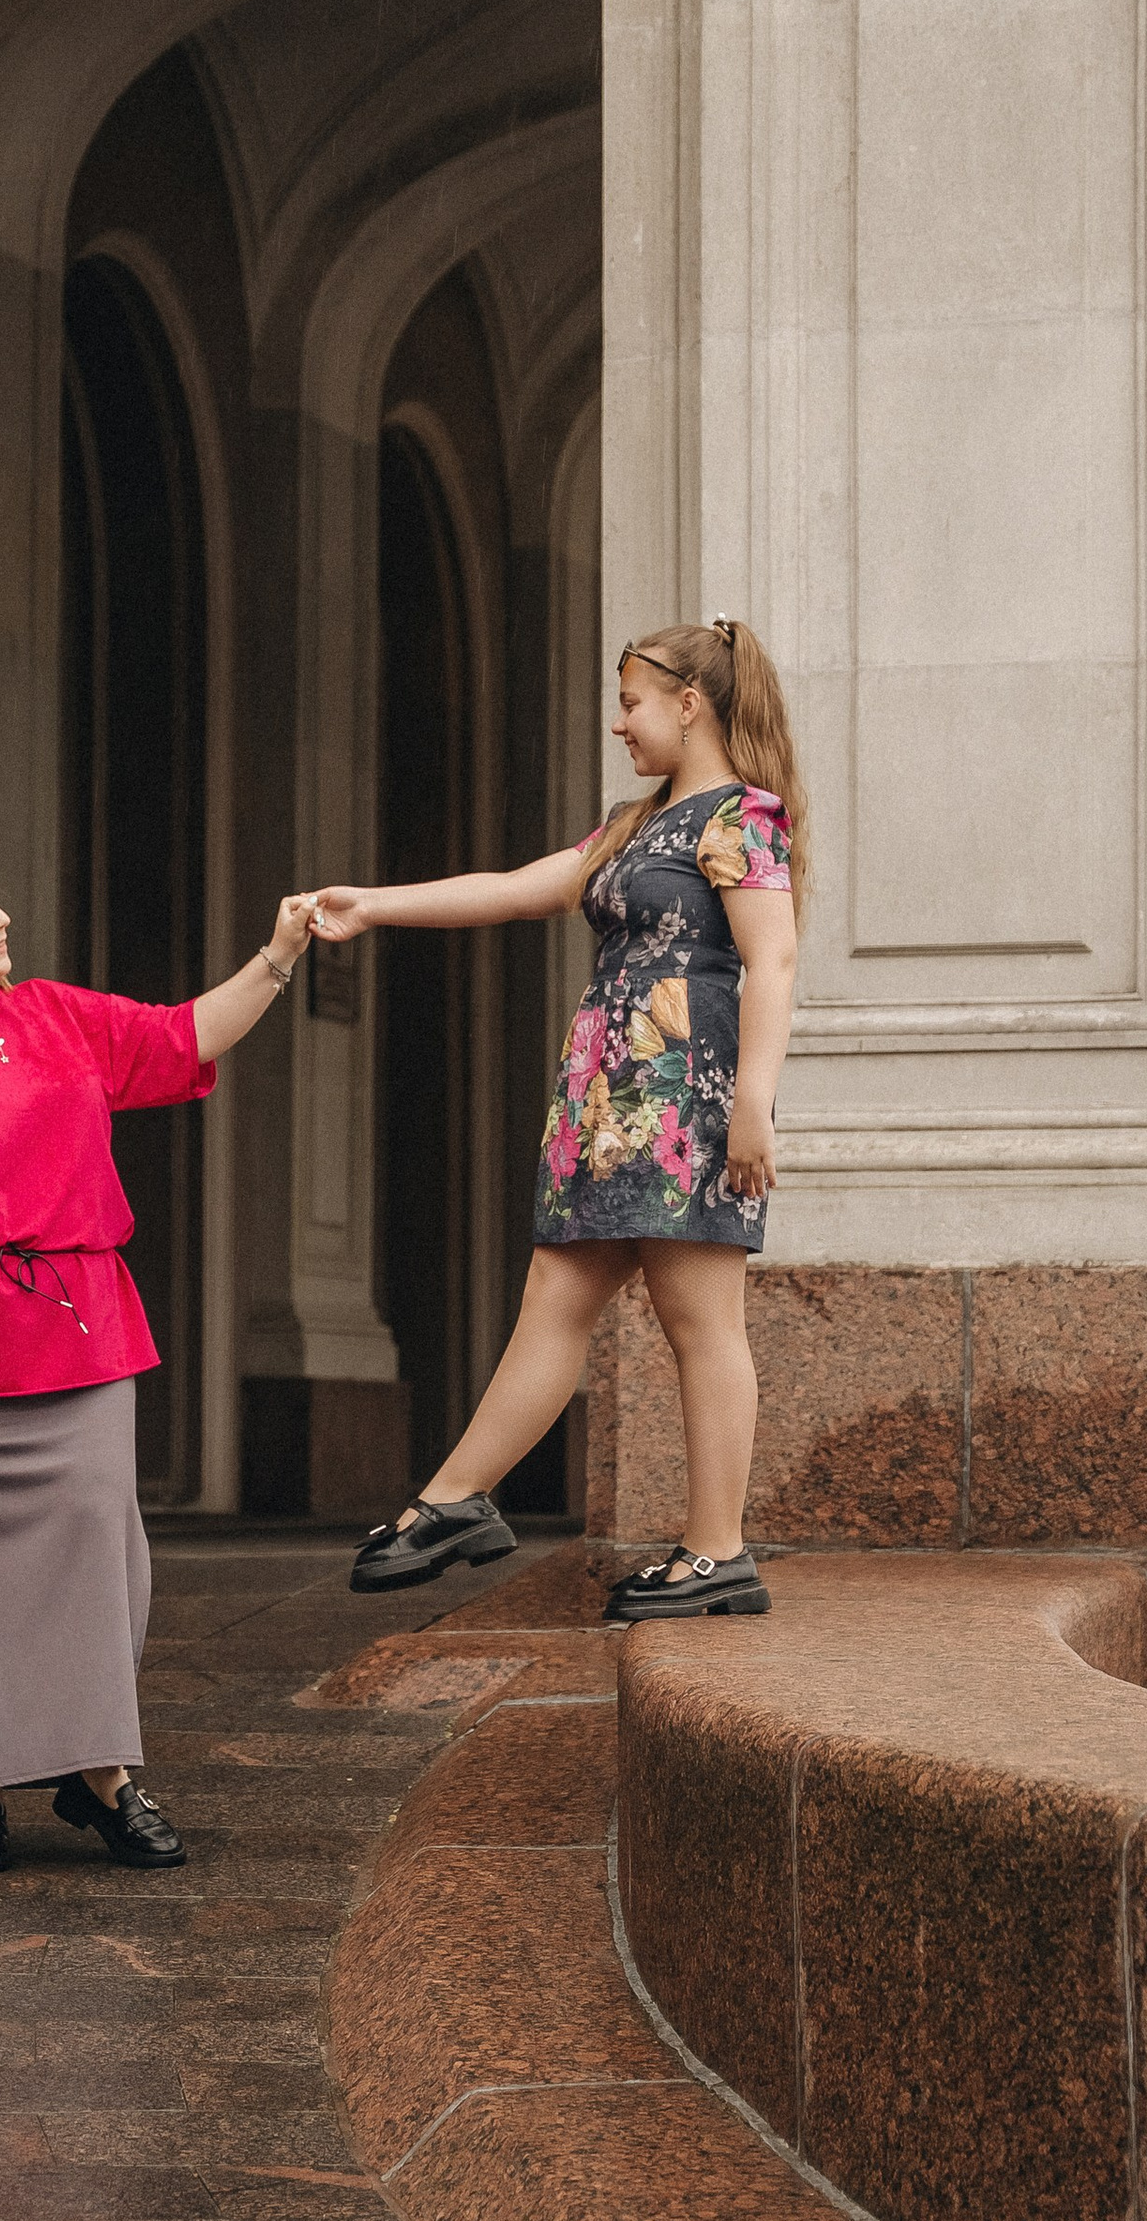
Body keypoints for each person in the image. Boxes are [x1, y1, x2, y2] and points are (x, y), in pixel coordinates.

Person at [0, 833, 315, 1873]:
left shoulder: (55, 1019)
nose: (3, 919)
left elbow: (190, 1035)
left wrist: (277, 954)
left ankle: (98, 1776)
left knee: (104, 1559)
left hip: (83, 1329)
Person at [309, 616, 801, 1621]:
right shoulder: (635, 822)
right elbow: (512, 887)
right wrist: (372, 905)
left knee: (697, 1319)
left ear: (689, 702)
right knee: (555, 1292)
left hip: (685, 1101)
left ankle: (717, 1553)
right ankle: (456, 1500)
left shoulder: (742, 817)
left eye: (630, 701)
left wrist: (752, 1103)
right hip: (608, 1102)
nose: (618, 723)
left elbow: (774, 960)